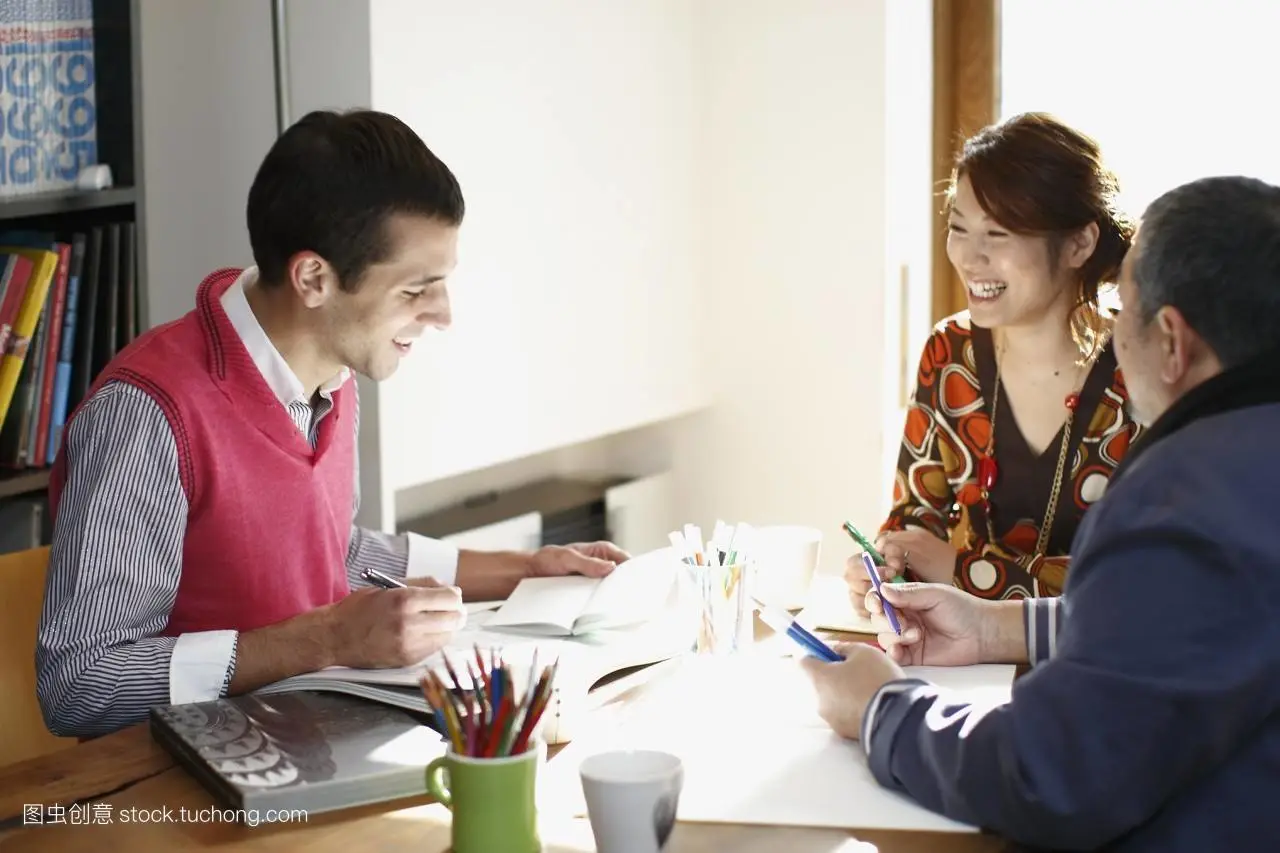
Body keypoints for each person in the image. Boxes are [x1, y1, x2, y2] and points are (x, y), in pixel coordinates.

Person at [35, 109, 630, 739]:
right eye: (414, 290)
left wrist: (523, 570)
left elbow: (335, 550)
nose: (443, 314)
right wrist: (326, 639)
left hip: (307, 742)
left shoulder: (331, 370)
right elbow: (78, 683)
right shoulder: (147, 416)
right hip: (181, 797)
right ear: (314, 278)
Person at [804, 175, 1280, 851]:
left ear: (1171, 341)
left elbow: (1051, 773)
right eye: (961, 227)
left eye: (1127, 309)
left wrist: (881, 709)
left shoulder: (1184, 495)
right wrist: (997, 627)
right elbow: (1188, 622)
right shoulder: (1248, 464)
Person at [848, 113, 1142, 614]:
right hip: (964, 663)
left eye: (999, 234)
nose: (969, 257)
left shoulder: (1144, 370)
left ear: (1079, 243)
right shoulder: (950, 353)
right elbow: (918, 515)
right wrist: (888, 564)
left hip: (1107, 667)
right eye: (959, 228)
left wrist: (960, 570)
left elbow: (1141, 580)